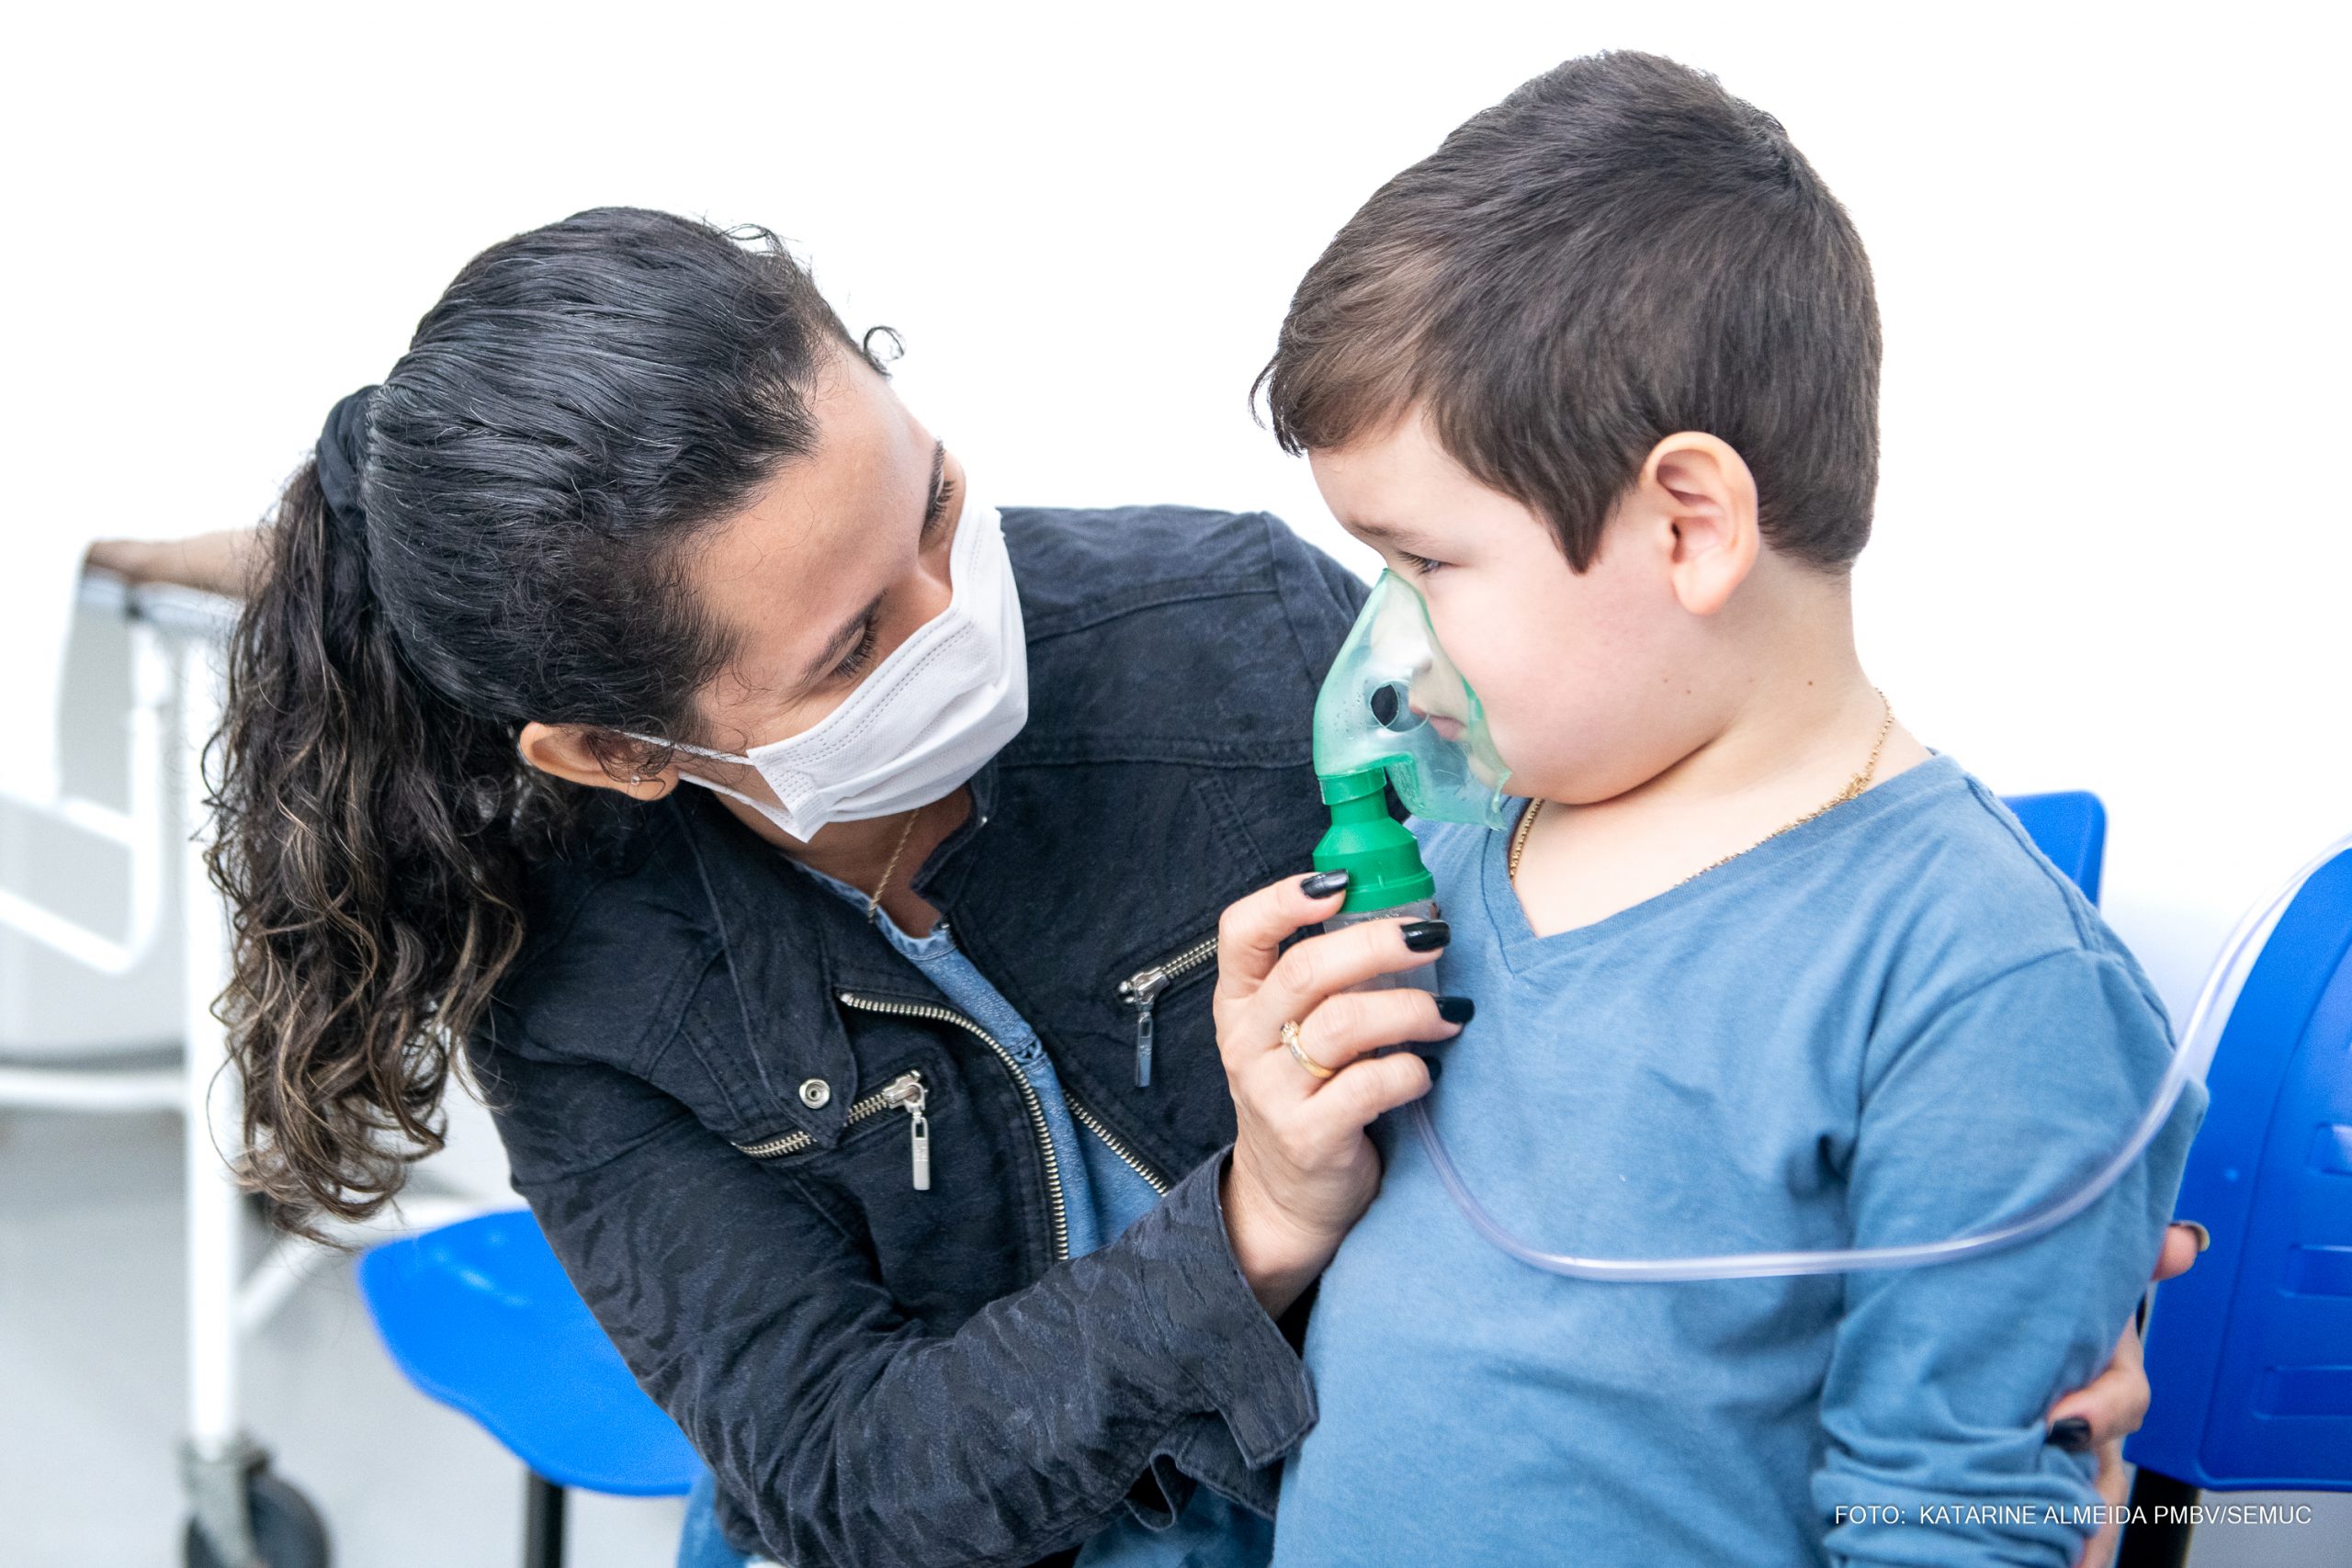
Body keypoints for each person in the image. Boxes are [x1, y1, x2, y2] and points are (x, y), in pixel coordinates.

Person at [126, 202, 2187, 1568]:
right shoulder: (590, 981)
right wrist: (1254, 1225)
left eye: (937, 502)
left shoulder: (1231, 635)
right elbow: (846, 1475)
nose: (956, 618)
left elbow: (1664, 985)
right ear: (619, 752)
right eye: (850, 649)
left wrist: (1980, 1220)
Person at [1206, 53, 2206, 1568]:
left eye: (1428, 567)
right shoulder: (1463, 850)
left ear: (1690, 525)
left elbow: (1950, 1527)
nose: (1385, 649)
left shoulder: (1983, 988)